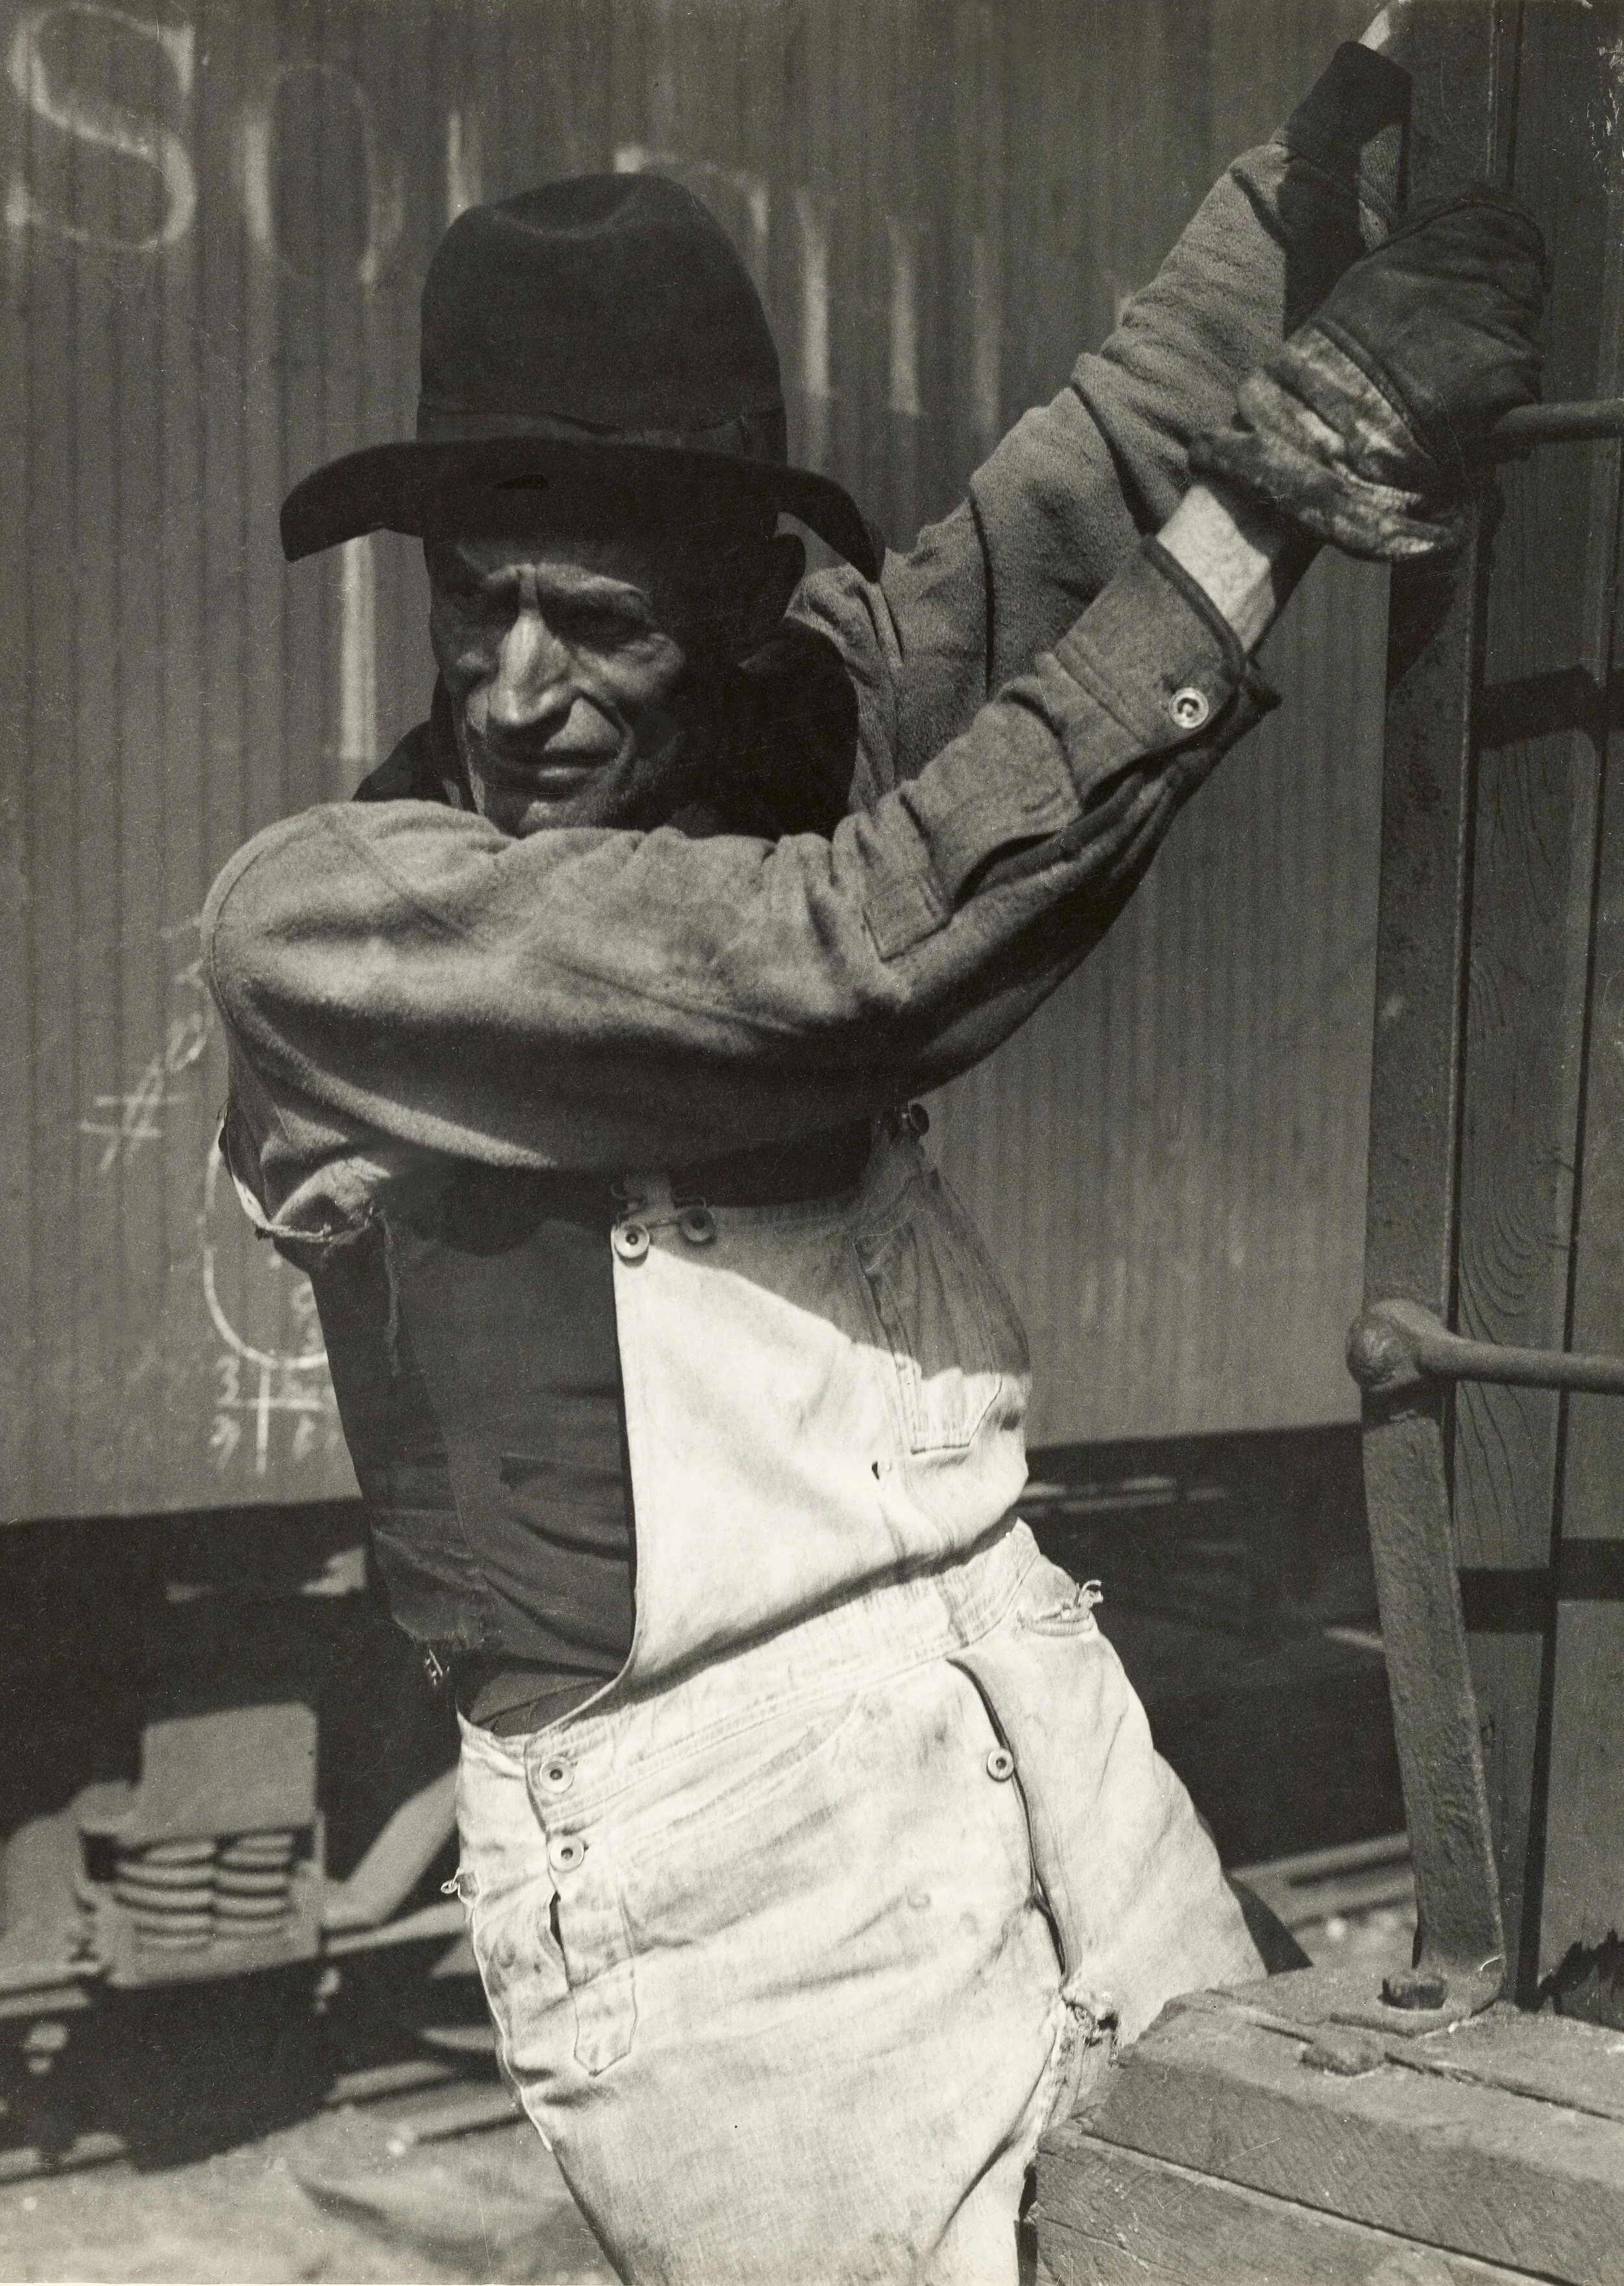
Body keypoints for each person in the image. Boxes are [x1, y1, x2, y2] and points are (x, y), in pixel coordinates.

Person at [203, 17, 1544, 2280]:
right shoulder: (336, 923)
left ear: (728, 616)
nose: (515, 690)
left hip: (1022, 1692)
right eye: (473, 602)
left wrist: (1341, 133)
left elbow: (1081, 480)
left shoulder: (769, 723)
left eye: (594, 623)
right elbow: (862, 957)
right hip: (716, 1881)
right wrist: (1283, 505)